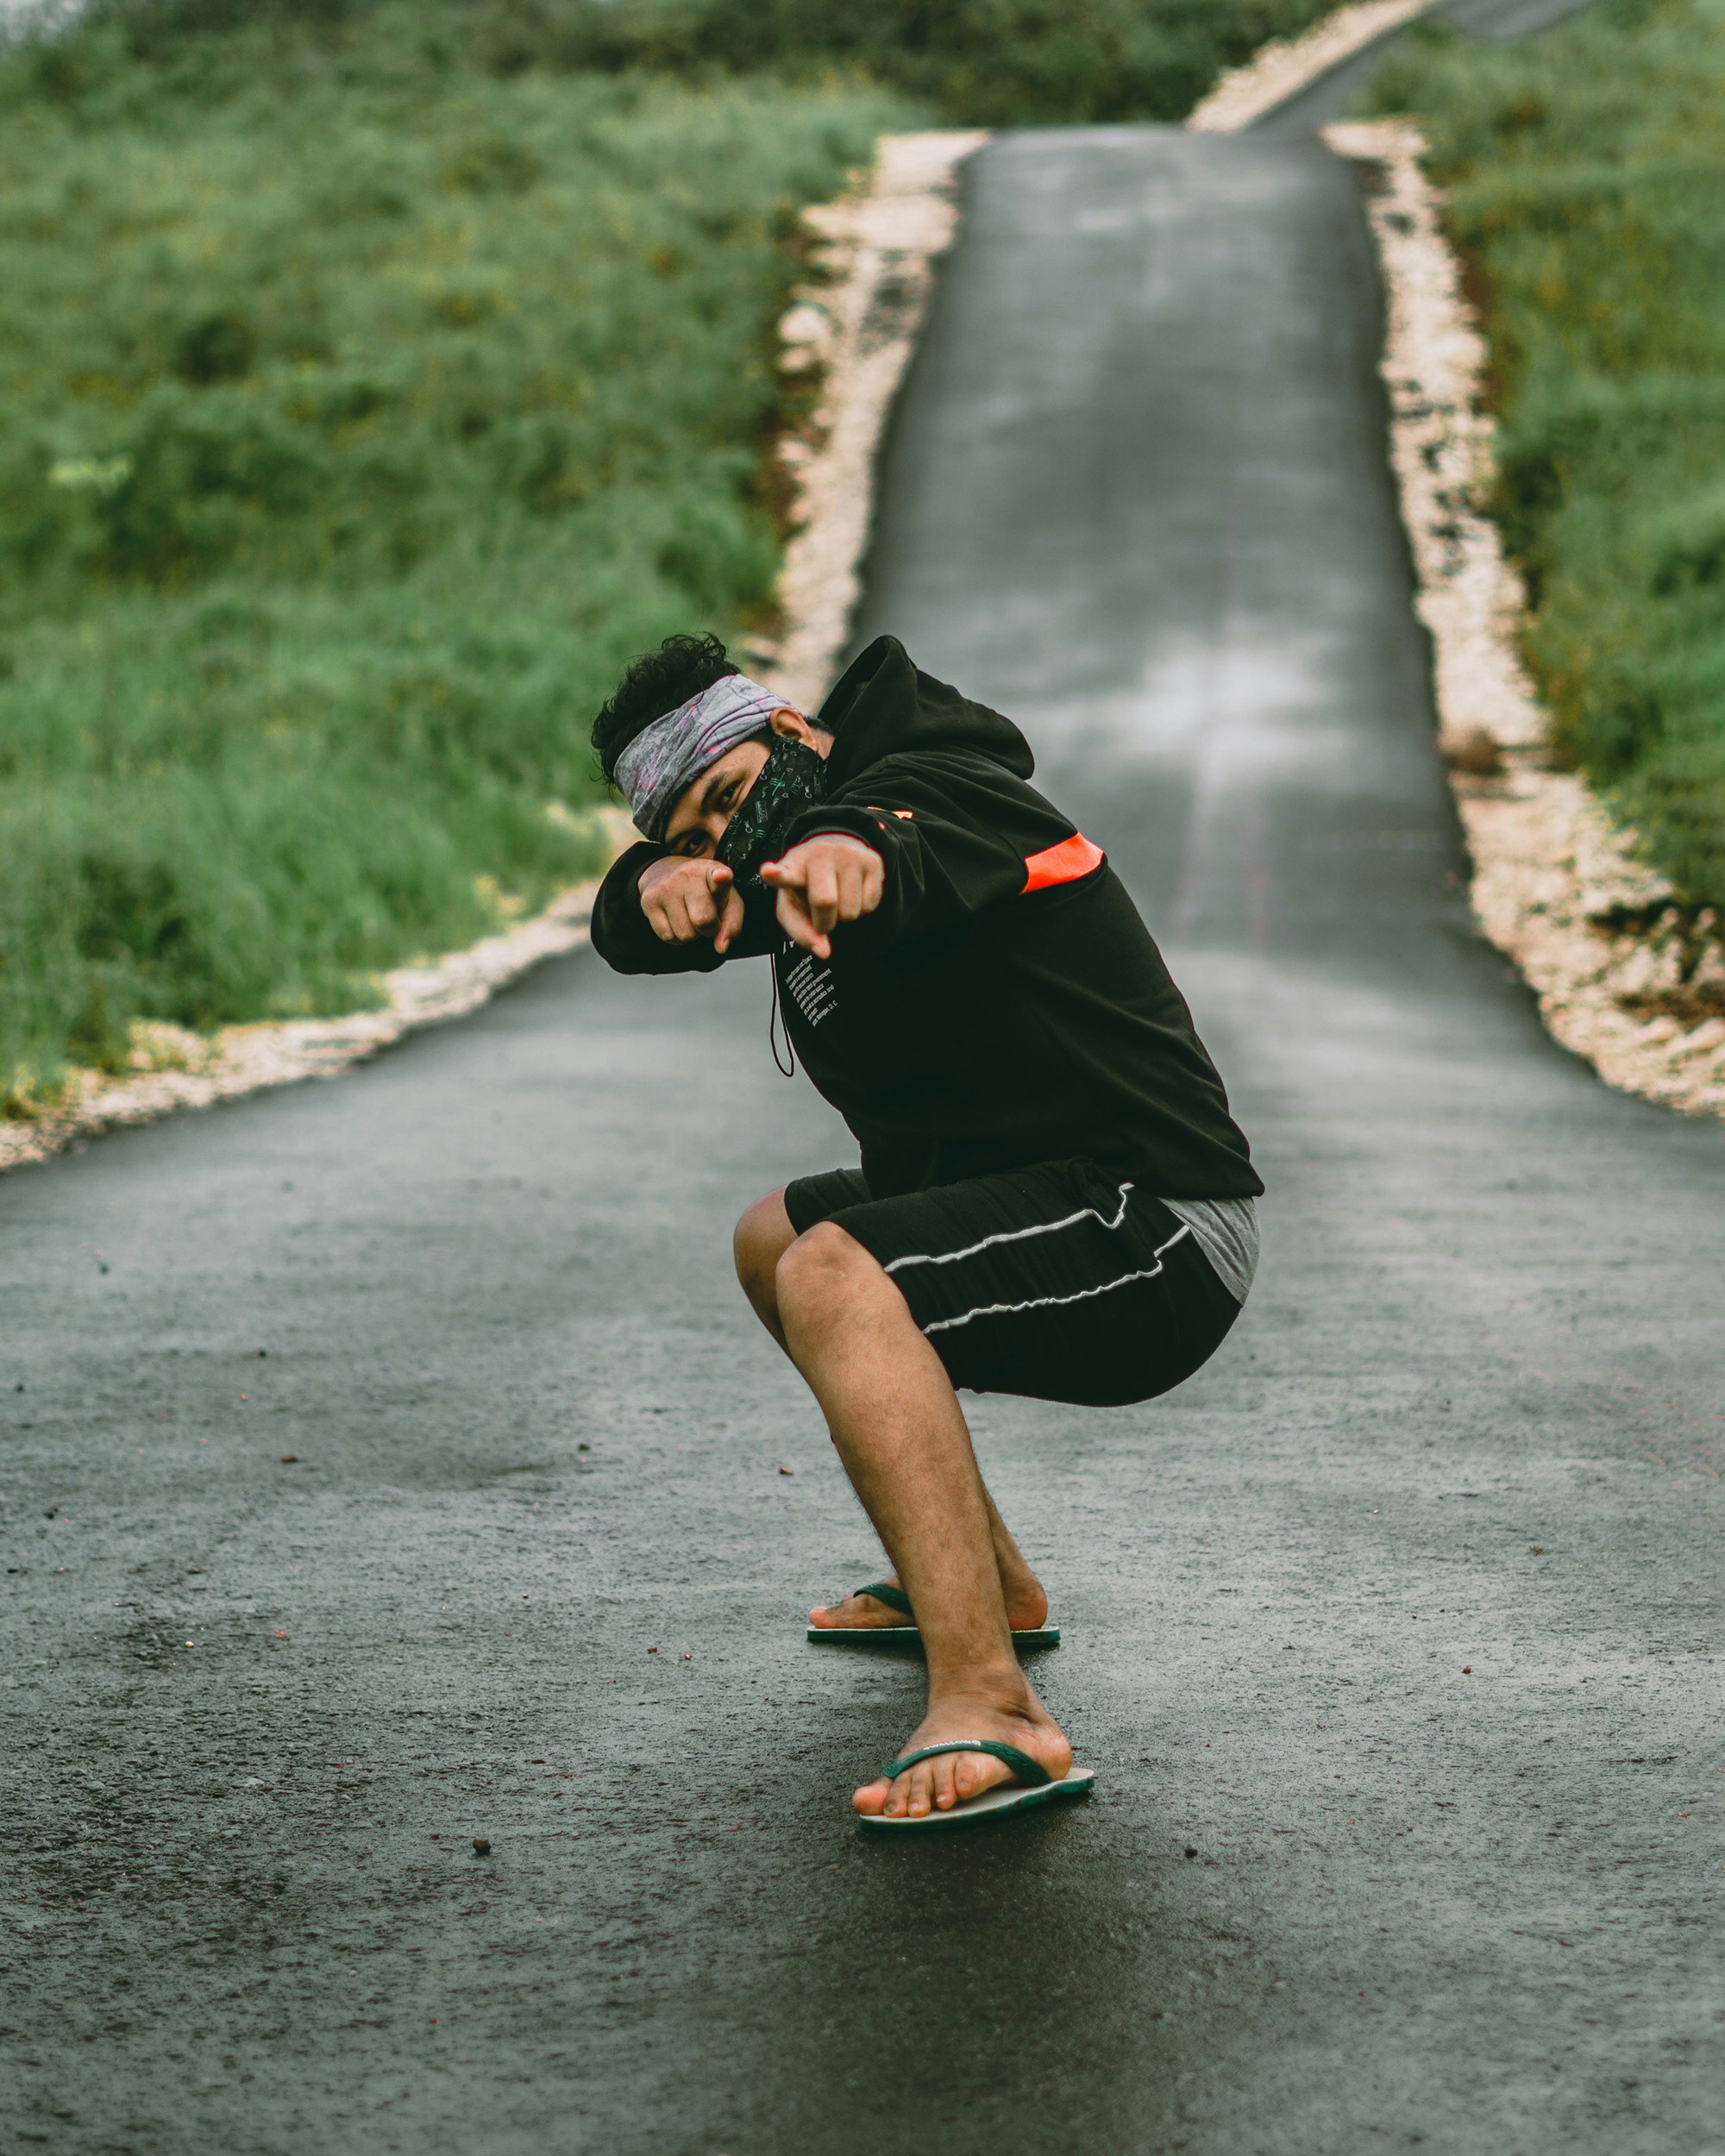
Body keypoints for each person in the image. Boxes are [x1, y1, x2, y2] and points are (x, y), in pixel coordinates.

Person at [590, 630, 1262, 1829]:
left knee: (835, 1273)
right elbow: (629, 933)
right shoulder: (772, 863)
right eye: (694, 838)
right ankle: (981, 1583)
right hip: (1053, 1209)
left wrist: (849, 851)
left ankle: (995, 1710)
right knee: (773, 1238)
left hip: (1154, 1224)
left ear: (791, 731)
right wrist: (650, 887)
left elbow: (901, 839)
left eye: (731, 803)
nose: (728, 847)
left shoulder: (950, 786)